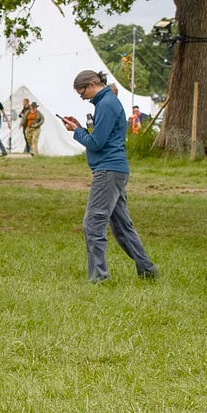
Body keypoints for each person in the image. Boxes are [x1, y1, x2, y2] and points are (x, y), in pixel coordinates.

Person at [60, 70, 159, 284]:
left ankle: (99, 277)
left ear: (92, 84)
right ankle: (147, 269)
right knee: (122, 226)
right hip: (115, 169)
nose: (83, 97)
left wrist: (76, 132)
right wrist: (80, 127)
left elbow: (96, 142)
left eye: (82, 92)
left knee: (93, 223)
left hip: (107, 171)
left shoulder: (105, 104)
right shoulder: (108, 103)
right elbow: (100, 135)